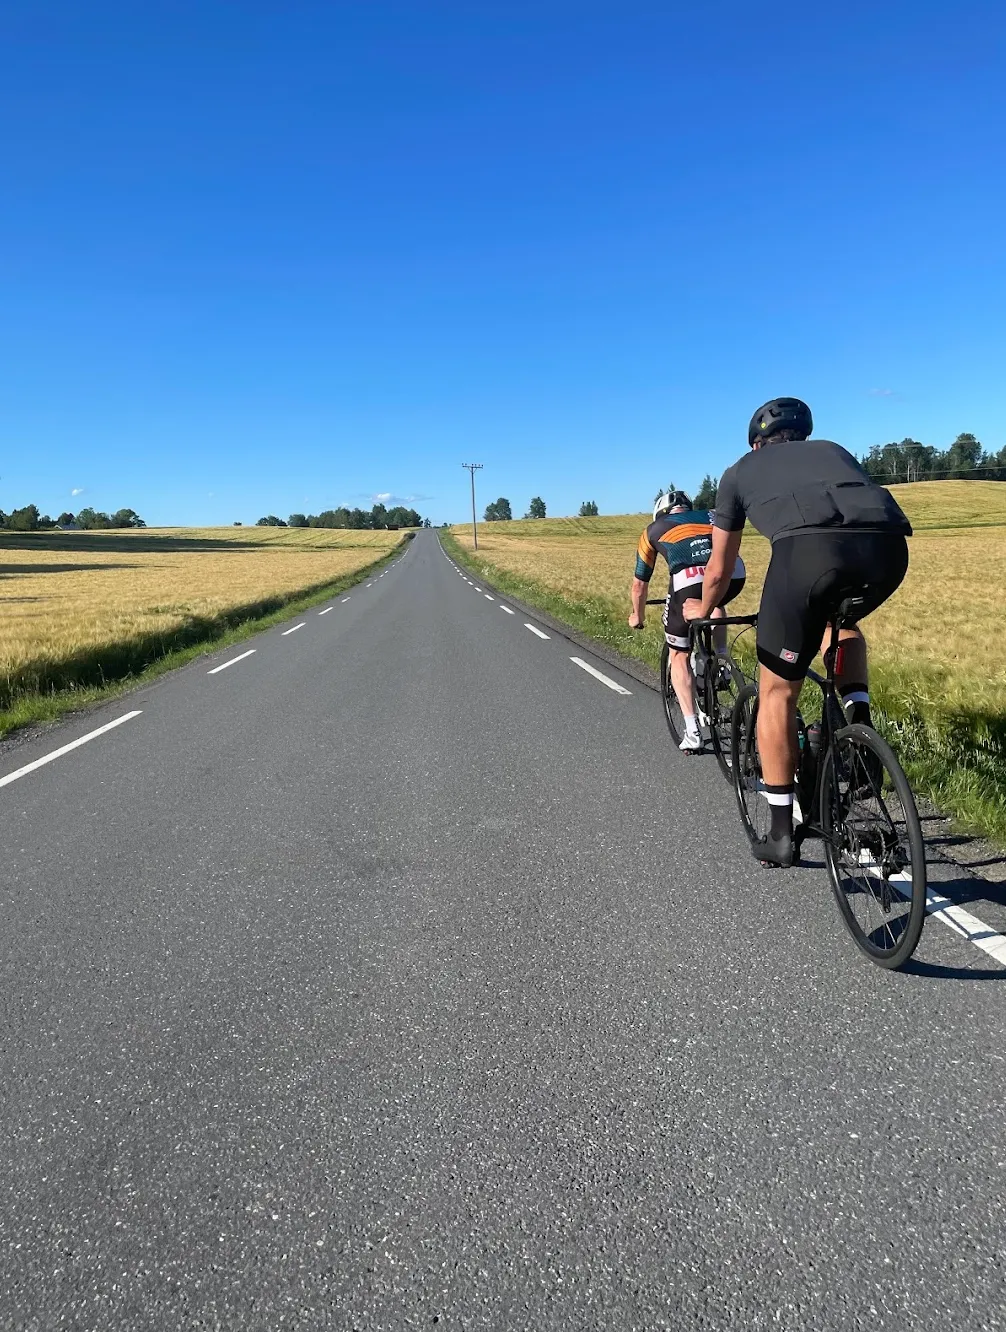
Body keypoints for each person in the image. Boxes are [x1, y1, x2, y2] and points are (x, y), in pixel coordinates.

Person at [685, 397, 911, 866]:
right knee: (841, 623)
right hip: (888, 551)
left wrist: (703, 612)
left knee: (777, 693)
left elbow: (720, 568)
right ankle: (857, 722)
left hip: (808, 556)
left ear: (755, 443)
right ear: (801, 436)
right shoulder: (833, 449)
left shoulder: (739, 472)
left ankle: (782, 834)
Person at [629, 490, 746, 752]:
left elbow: (639, 585)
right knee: (713, 602)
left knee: (679, 653)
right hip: (734, 572)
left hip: (689, 580)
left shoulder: (652, 530)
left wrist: (637, 616)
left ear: (660, 513)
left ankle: (692, 730)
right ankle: (721, 659)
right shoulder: (711, 515)